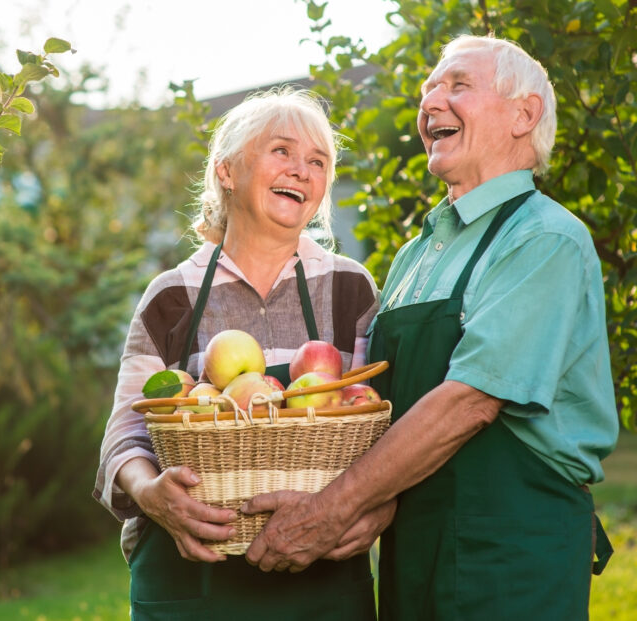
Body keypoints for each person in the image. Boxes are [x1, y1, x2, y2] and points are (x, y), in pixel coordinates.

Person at [241, 35, 619, 619]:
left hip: (510, 551)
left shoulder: (543, 238)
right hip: (412, 542)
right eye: (428, 90)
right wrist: (367, 504)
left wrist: (333, 509)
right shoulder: (414, 254)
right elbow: (378, 402)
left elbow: (469, 402)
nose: (431, 103)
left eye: (457, 85)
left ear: (525, 114)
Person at [92, 86, 396, 619]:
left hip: (321, 582)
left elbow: (379, 423)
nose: (301, 169)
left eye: (317, 161)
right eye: (282, 151)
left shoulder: (350, 288)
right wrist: (151, 493)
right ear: (226, 171)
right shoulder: (173, 294)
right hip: (192, 582)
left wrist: (378, 506)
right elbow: (126, 431)